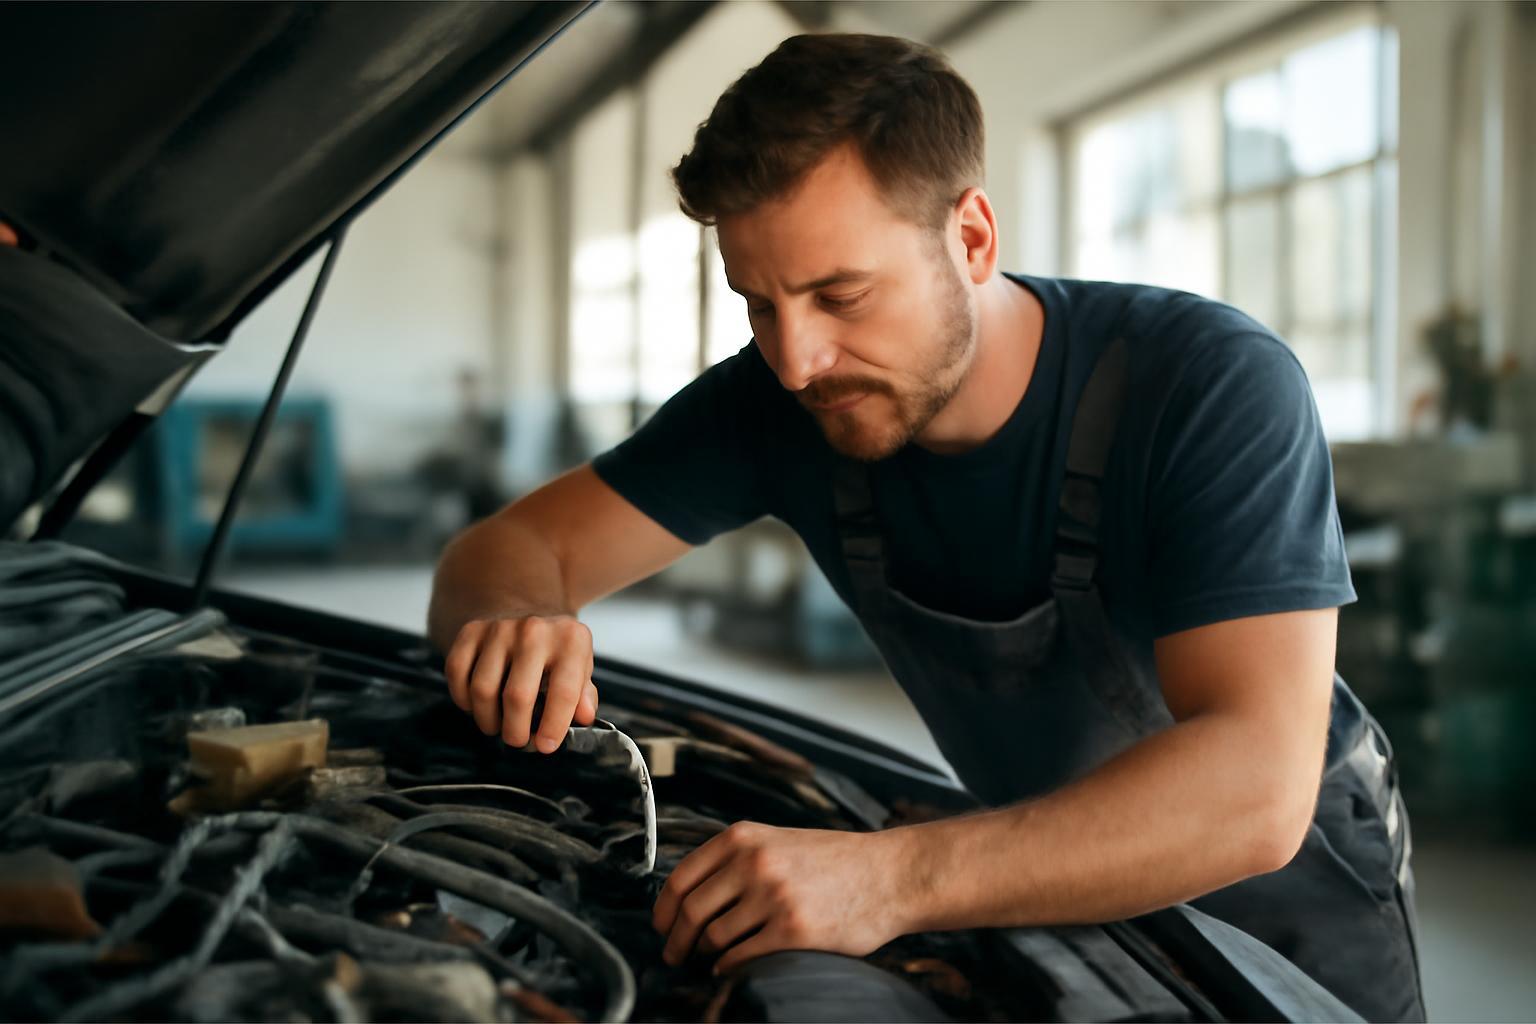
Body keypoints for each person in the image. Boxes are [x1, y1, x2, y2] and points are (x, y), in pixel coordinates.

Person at [428, 34, 1423, 1022]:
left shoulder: (1211, 384)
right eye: (757, 306)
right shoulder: (777, 408)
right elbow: (507, 551)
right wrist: (516, 620)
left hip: (1285, 896)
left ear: (974, 238)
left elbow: (1256, 788)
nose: (797, 360)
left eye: (841, 296)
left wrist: (888, 878)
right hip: (1037, 870)